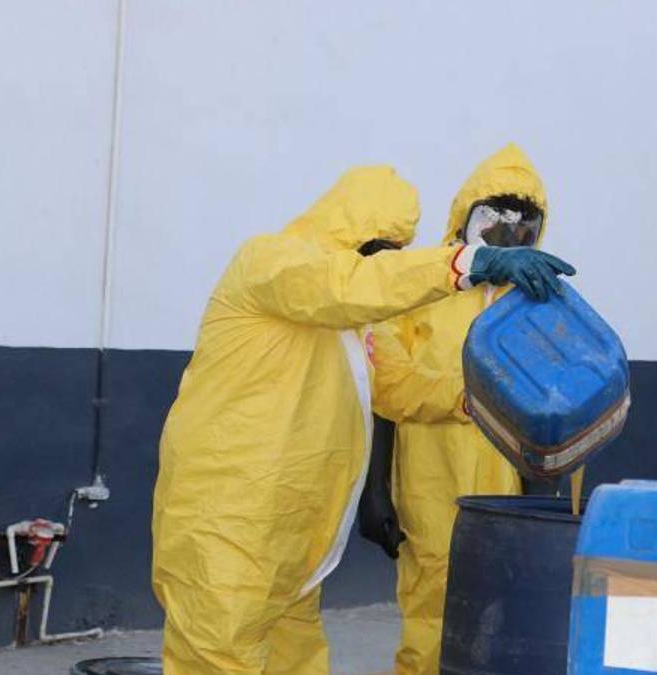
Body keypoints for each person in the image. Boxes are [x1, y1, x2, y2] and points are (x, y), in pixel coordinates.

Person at [151, 164, 574, 675]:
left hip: (295, 530)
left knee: (294, 657)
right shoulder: (271, 262)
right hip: (227, 514)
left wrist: (483, 398)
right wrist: (465, 263)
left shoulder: (358, 323)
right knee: (216, 655)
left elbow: (396, 385)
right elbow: (342, 286)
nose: (384, 263)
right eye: (379, 249)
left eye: (394, 252)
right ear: (347, 230)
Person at [360, 144, 551, 674]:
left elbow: (553, 407)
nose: (507, 237)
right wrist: (375, 489)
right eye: (493, 221)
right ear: (464, 215)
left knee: (504, 622)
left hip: (507, 492)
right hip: (430, 483)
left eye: (523, 226)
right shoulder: (420, 288)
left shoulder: (534, 302)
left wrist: (545, 501)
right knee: (431, 616)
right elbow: (386, 393)